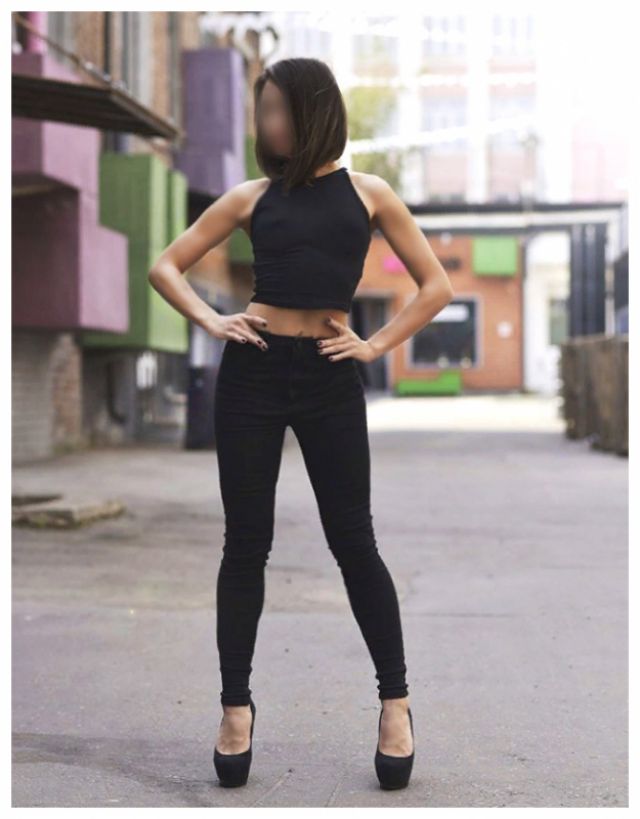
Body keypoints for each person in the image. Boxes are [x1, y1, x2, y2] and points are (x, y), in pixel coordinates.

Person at [149, 57, 454, 790]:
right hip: (252, 374)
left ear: (316, 111)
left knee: (354, 540)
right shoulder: (251, 197)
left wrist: (374, 346)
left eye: (280, 109)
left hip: (328, 376)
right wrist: (212, 320)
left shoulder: (369, 194)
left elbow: (436, 285)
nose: (269, 124)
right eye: (263, 112)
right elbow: (166, 267)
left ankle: (395, 703)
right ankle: (235, 707)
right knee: (245, 544)